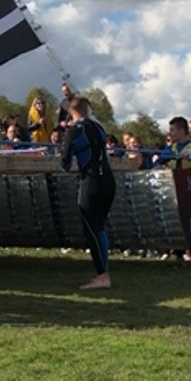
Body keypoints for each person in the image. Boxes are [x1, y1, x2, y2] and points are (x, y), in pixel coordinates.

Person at [61, 96, 115, 289]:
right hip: (108, 180)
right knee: (99, 227)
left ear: (70, 112)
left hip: (91, 182)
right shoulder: (98, 127)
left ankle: (103, 276)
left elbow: (65, 164)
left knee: (91, 228)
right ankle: (103, 271)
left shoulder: (73, 131)